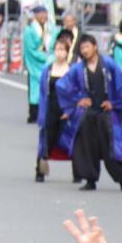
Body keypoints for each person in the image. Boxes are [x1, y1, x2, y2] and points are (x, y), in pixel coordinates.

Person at [57, 34, 122, 192]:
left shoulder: (108, 64)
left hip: (107, 114)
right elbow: (62, 85)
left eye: (87, 46)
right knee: (87, 147)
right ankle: (90, 180)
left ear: (95, 46)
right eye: (82, 48)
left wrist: (113, 103)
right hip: (88, 113)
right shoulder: (79, 68)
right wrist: (78, 100)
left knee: (112, 149)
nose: (85, 50)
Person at [35, 35, 74, 183]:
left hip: (66, 109)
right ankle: (40, 170)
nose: (59, 53)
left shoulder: (71, 70)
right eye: (57, 49)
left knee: (70, 140)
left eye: (62, 50)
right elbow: (42, 91)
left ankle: (78, 170)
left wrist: (70, 110)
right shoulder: (48, 70)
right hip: (50, 107)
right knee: (46, 140)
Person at [23, 5, 52, 123]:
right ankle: (33, 113)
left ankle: (45, 112)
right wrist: (44, 57)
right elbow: (30, 49)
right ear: (35, 15)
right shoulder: (29, 30)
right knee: (34, 87)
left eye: (45, 13)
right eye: (40, 13)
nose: (43, 16)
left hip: (48, 61)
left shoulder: (50, 28)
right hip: (35, 62)